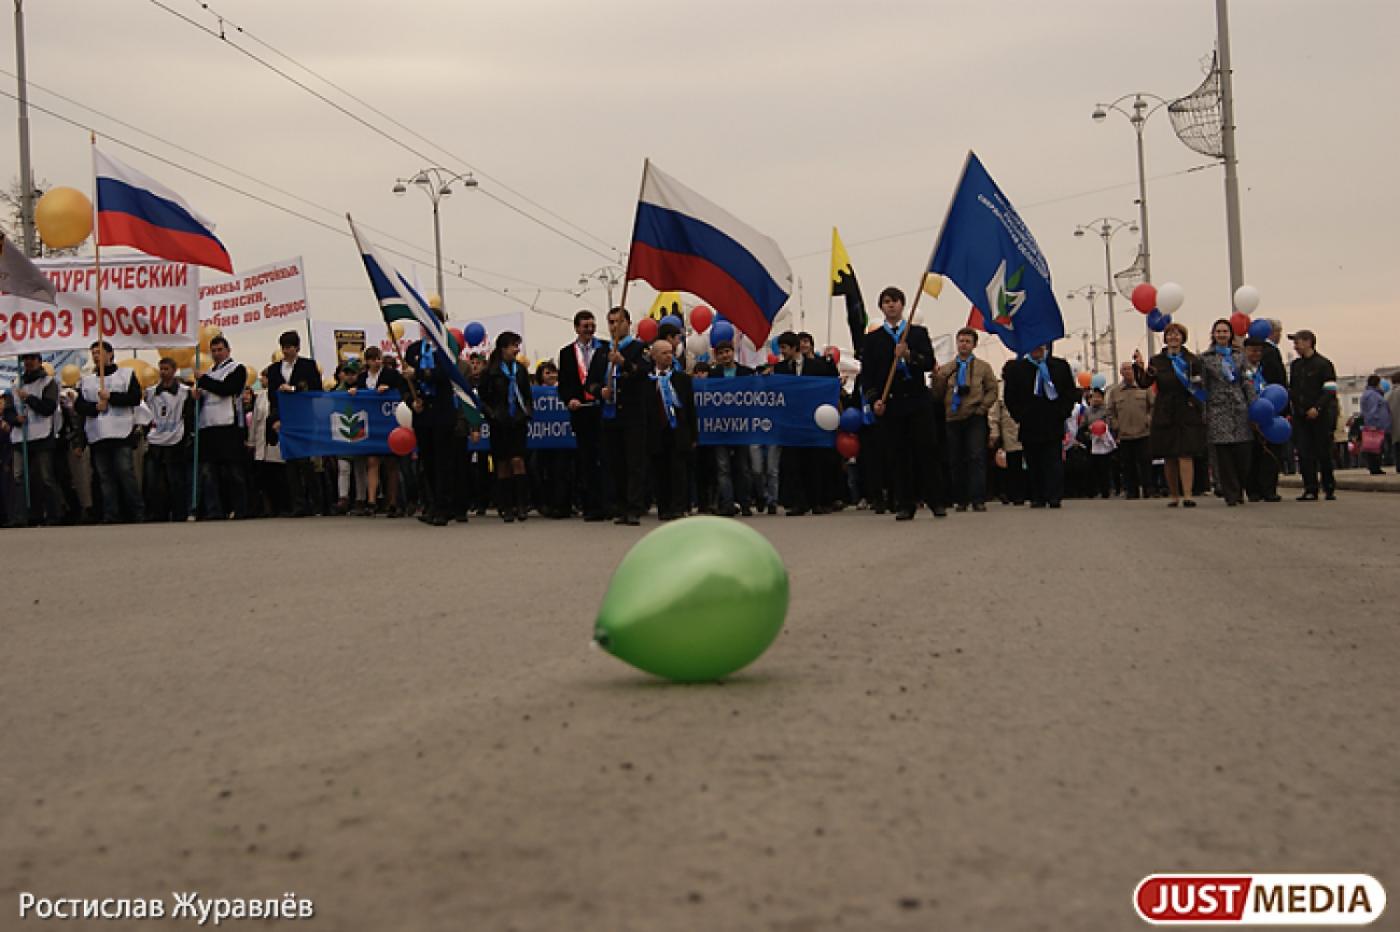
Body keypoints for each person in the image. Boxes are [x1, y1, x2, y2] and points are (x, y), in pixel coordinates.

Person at [860, 287, 945, 519]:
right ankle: (905, 503)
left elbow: (928, 362)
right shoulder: (873, 339)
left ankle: (936, 500)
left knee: (927, 451)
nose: (891, 305)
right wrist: (874, 399)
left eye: (895, 301)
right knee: (899, 455)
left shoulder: (916, 333)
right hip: (892, 402)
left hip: (917, 399)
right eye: (886, 302)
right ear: (881, 307)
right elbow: (867, 374)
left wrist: (909, 356)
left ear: (903, 305)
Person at [73, 340, 145, 523]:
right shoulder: (87, 381)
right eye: (93, 353)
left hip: (120, 433)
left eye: (99, 352)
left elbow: (135, 398)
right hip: (98, 434)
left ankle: (137, 511)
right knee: (105, 477)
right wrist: (95, 407)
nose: (96, 356)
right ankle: (110, 513)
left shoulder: (126, 375)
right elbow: (79, 406)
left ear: (110, 354)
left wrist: (111, 397)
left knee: (125, 473)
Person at [1002, 342, 1076, 509]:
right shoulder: (1018, 368)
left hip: (1053, 420)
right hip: (1029, 422)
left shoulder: (1059, 366)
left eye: (1040, 345)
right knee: (1033, 461)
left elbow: (1069, 392)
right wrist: (1020, 416)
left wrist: (1062, 412)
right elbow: (1010, 397)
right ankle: (1038, 496)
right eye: (1033, 345)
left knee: (1053, 461)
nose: (1036, 349)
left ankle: (1054, 495)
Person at [593, 307, 648, 525]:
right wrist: (600, 391)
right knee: (615, 462)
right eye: (611, 322)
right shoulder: (602, 351)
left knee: (634, 462)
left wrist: (623, 362)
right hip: (610, 414)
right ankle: (621, 505)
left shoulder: (638, 348)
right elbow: (592, 380)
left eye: (618, 321)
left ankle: (635, 507)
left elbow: (644, 372)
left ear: (628, 323)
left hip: (632, 414)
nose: (614, 326)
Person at [1145, 322, 1207, 508]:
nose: (1173, 337)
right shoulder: (1157, 361)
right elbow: (1145, 382)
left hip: (1186, 409)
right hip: (1165, 408)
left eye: (1177, 334)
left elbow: (1199, 385)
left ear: (1182, 337)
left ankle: (1187, 495)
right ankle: (1174, 495)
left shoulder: (1192, 360)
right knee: (1169, 455)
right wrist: (1142, 369)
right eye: (1170, 334)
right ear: (1165, 338)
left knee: (1185, 453)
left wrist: (1194, 403)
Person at [936, 327, 998, 512]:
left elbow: (993, 390)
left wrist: (982, 408)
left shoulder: (983, 367)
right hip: (953, 417)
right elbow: (937, 394)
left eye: (967, 341)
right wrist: (938, 378)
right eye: (961, 341)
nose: (963, 345)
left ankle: (978, 498)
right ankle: (960, 499)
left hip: (975, 416)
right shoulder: (947, 368)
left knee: (976, 457)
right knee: (956, 459)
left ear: (974, 345)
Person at [404, 327, 461, 526]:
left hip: (442, 412)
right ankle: (430, 504)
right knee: (427, 462)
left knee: (442, 462)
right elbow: (406, 381)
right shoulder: (413, 350)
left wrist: (418, 372)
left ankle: (444, 507)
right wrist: (412, 400)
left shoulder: (447, 348)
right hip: (423, 413)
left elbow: (445, 374)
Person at [557, 310, 608, 521]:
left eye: (592, 325)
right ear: (576, 328)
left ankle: (608, 503)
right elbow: (565, 383)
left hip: (603, 409)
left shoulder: (605, 348)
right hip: (581, 411)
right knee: (586, 459)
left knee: (604, 458)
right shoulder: (567, 353)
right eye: (585, 326)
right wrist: (570, 399)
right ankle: (590, 505)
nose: (589, 329)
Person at [264, 330, 322, 517]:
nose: (286, 351)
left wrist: (294, 389)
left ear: (297, 347)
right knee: (290, 463)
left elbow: (316, 390)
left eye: (289, 347)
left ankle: (317, 503)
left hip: (304, 417)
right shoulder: (273, 370)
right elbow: (272, 398)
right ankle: (297, 504)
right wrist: (275, 419)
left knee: (306, 462)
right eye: (284, 347)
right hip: (285, 419)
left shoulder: (308, 365)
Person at [1200, 318, 1256, 507]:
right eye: (1219, 332)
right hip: (1218, 409)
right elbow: (1203, 386)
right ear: (1213, 334)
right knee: (1224, 455)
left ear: (1231, 334)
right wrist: (1205, 410)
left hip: (1239, 409)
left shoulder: (1239, 357)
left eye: (1225, 331)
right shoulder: (1206, 358)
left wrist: (1253, 404)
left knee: (1243, 453)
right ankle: (1231, 493)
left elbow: (1247, 381)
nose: (1222, 335)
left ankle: (1240, 487)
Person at [640, 338, 697, 521]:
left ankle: (678, 507)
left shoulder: (681, 379)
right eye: (664, 353)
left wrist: (693, 434)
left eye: (670, 352)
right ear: (654, 355)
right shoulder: (647, 379)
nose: (668, 356)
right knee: (659, 471)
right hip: (656, 432)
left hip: (677, 431)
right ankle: (663, 507)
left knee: (678, 471)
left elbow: (690, 408)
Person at [193, 335, 249, 520]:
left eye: (220, 350)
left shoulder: (237, 369)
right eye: (214, 351)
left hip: (228, 425)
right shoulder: (209, 372)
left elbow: (228, 388)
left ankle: (241, 508)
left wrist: (204, 380)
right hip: (208, 425)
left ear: (228, 350)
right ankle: (214, 510)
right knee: (209, 472)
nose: (217, 354)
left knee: (234, 471)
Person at [481, 331, 534, 522]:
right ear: (503, 348)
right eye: (513, 345)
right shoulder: (490, 371)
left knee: (518, 461)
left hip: (517, 422)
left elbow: (527, 394)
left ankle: (521, 505)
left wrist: (527, 411)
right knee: (502, 463)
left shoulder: (520, 370)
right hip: (499, 423)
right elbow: (483, 399)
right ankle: (506, 506)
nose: (516, 349)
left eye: (517, 345)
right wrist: (492, 415)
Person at [10, 353, 68, 525]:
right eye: (25, 359)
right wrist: (15, 419)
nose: (28, 362)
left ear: (39, 361)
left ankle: (53, 515)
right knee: (19, 477)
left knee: (46, 477)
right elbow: (8, 409)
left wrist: (29, 398)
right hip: (20, 437)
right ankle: (22, 516)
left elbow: (48, 407)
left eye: (32, 359)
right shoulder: (15, 383)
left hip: (42, 434)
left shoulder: (49, 383)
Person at [350, 346, 406, 516]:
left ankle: (392, 502)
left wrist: (388, 390)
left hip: (389, 423)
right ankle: (371, 501)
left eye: (378, 358)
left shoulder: (391, 374)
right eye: (373, 359)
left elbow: (401, 390)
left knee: (391, 464)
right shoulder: (361, 378)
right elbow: (356, 394)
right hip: (371, 425)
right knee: (372, 462)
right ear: (367, 361)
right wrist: (355, 392)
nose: (377, 361)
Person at [1287, 329, 1338, 501]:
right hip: (1301, 417)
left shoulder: (1323, 364)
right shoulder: (1296, 366)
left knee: (1323, 453)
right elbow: (1293, 389)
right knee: (1304, 453)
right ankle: (1310, 488)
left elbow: (1330, 390)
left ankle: (1329, 487)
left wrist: (1318, 408)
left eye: (1298, 342)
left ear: (1308, 342)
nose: (1295, 346)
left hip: (1320, 417)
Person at [143, 357, 193, 522]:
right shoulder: (150, 392)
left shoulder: (185, 391)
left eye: (167, 369)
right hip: (155, 438)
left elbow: (190, 415)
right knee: (154, 481)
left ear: (174, 370)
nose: (163, 372)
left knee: (175, 479)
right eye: (161, 369)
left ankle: (180, 512)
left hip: (175, 439)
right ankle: (157, 513)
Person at [708, 339, 754, 517]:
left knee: (743, 467)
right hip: (720, 428)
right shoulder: (714, 375)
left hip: (741, 427)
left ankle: (745, 504)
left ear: (733, 352)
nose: (724, 355)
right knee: (723, 467)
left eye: (727, 351)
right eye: (721, 353)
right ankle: (727, 504)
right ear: (716, 356)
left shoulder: (746, 373)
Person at [1241, 338, 1283, 502]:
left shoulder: (1268, 368)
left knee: (1269, 455)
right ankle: (1252, 490)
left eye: (1259, 351)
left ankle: (1269, 489)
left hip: (1269, 417)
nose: (1256, 354)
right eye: (1252, 350)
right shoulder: (1240, 370)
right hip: (1247, 416)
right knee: (1252, 455)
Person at [1106, 359, 1154, 499]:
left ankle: (1148, 489)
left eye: (1130, 369)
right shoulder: (1115, 392)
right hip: (1125, 434)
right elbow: (1110, 411)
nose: (1127, 372)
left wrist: (1149, 419)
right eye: (1124, 369)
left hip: (1143, 432)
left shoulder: (1144, 388)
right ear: (1121, 372)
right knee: (1128, 465)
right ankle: (1131, 491)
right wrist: (1115, 425)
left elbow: (1153, 406)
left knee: (1145, 463)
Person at [987, 389, 1024, 505]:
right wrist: (994, 433)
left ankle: (1032, 493)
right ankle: (1014, 494)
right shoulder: (1001, 387)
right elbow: (994, 414)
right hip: (1010, 432)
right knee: (1012, 464)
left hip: (1027, 428)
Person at [1359, 375, 1391, 476]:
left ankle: (1375, 467)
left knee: (1374, 447)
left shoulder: (1369, 394)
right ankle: (1375, 467)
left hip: (1375, 424)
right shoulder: (1373, 395)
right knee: (1375, 447)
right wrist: (1373, 424)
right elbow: (1372, 411)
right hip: (1375, 425)